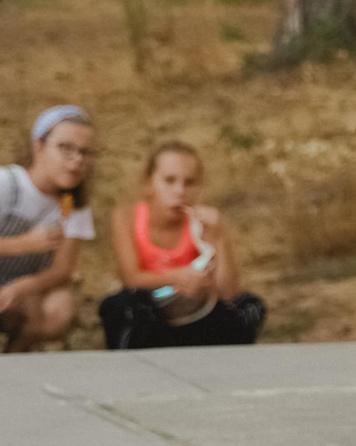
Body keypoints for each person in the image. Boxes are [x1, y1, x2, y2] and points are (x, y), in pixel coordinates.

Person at [100, 142, 266, 349]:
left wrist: (219, 237)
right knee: (120, 306)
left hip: (194, 316)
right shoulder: (127, 216)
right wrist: (177, 276)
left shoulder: (202, 224)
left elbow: (229, 292)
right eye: (169, 181)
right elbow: (131, 278)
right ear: (149, 183)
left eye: (190, 183)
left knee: (249, 307)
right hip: (150, 316)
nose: (180, 191)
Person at [0, 104, 99, 351]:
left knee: (58, 307)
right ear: (39, 146)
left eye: (84, 152)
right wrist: (22, 245)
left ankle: (15, 362)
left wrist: (21, 287)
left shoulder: (74, 204)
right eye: (65, 148)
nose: (76, 160)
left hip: (18, 288)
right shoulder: (7, 184)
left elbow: (62, 270)